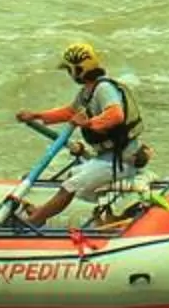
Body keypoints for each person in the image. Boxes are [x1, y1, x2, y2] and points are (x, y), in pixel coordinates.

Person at [15, 40, 144, 226]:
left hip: (120, 160)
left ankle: (36, 220)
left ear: (78, 69)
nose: (69, 75)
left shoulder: (103, 89)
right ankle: (42, 212)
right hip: (107, 157)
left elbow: (116, 114)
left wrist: (90, 122)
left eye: (69, 70)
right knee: (71, 177)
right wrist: (36, 115)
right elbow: (70, 112)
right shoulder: (87, 92)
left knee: (71, 185)